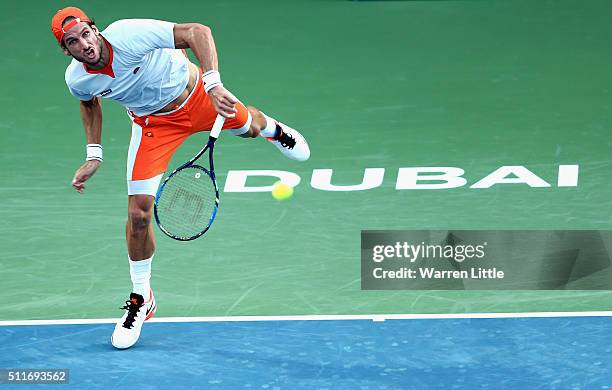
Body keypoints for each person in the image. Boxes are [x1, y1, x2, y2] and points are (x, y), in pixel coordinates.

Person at [50, 7, 310, 350]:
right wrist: (94, 154)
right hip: (153, 126)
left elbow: (196, 31)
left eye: (86, 33)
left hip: (198, 97)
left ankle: (275, 131)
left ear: (95, 30)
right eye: (73, 42)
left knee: (251, 128)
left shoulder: (128, 33)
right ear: (66, 51)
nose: (84, 43)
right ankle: (142, 298)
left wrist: (213, 83)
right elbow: (89, 102)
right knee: (138, 216)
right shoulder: (77, 79)